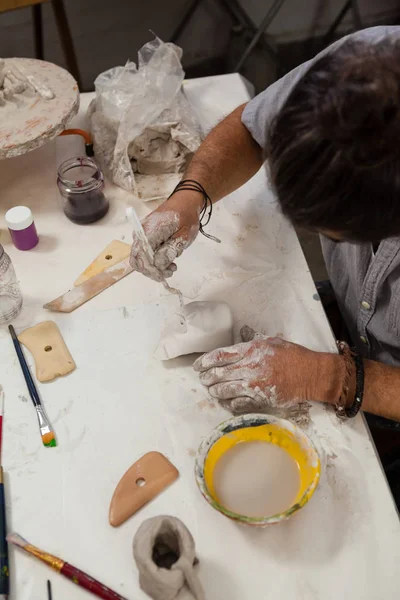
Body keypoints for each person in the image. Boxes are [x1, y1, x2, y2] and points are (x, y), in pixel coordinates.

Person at [130, 26, 400, 428]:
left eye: (334, 233)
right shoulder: (367, 63)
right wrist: (190, 197)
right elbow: (251, 128)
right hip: (352, 321)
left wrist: (330, 377)